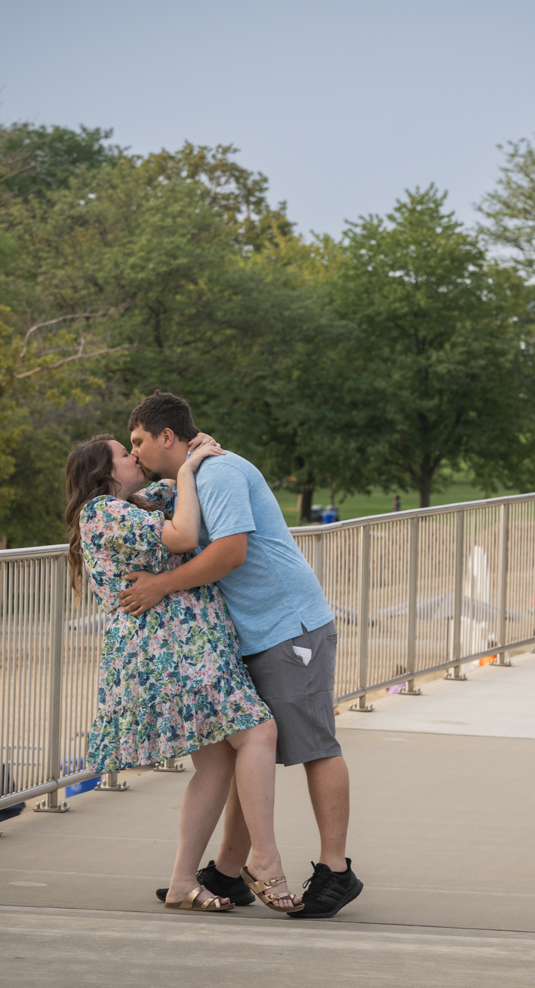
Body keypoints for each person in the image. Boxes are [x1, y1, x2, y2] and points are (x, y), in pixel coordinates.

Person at [120, 391, 363, 920]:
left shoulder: (219, 473)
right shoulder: (188, 477)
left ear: (168, 437)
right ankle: (228, 873)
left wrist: (160, 586)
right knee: (250, 752)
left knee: (314, 744)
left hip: (287, 624)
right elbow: (131, 508)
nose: (134, 452)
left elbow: (231, 551)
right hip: (250, 634)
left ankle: (336, 871)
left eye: (138, 441)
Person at [67, 432, 299, 914]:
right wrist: (189, 470)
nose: (134, 456)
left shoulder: (140, 502)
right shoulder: (101, 513)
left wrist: (189, 460)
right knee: (259, 730)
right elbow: (184, 536)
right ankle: (265, 859)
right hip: (174, 651)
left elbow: (182, 491)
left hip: (190, 646)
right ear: (105, 473)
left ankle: (181, 884)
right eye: (124, 453)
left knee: (216, 764)